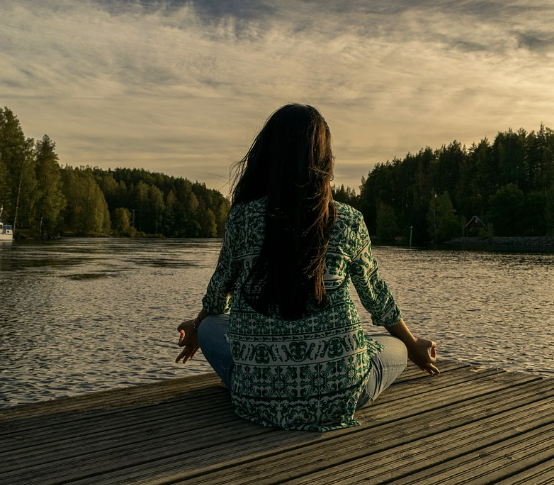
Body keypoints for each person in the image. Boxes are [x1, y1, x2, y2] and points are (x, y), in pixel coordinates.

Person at [176, 104, 438, 432]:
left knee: (212, 326)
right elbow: (377, 298)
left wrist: (197, 325)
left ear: (267, 156)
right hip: (341, 396)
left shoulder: (242, 218)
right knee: (395, 346)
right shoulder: (349, 220)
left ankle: (249, 380)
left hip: (256, 400)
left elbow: (219, 294)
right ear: (324, 160)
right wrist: (413, 345)